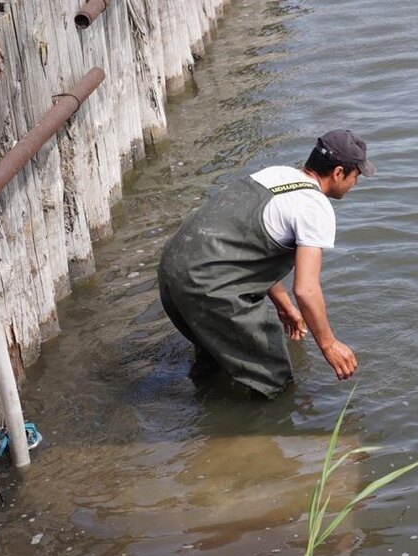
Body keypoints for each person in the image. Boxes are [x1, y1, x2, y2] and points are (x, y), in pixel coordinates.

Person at [157, 129, 375, 398]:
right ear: (339, 172)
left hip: (171, 273)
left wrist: (284, 307)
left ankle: (205, 426)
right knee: (274, 382)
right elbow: (306, 289)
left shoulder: (274, 175)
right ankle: (256, 435)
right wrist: (329, 345)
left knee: (214, 362)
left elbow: (246, 244)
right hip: (206, 287)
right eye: (356, 176)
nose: (356, 183)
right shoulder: (314, 207)